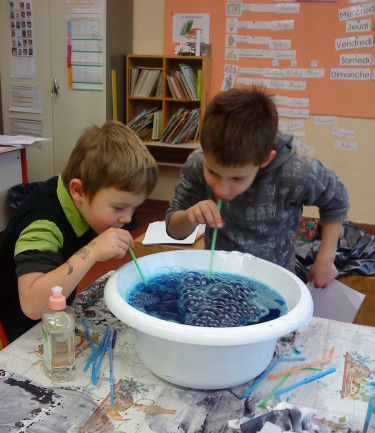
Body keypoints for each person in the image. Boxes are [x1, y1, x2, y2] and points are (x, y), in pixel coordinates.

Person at [166, 87, 349, 289]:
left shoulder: (294, 172)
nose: (223, 188)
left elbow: (336, 198)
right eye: (213, 172)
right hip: (219, 281)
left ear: (265, 160)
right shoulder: (197, 164)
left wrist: (325, 259)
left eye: (237, 178)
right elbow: (175, 230)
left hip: (276, 285)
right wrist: (189, 217)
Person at [0, 121, 158, 343]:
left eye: (134, 207)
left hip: (55, 315)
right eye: (119, 208)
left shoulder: (82, 201)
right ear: (78, 191)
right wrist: (92, 250)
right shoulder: (44, 224)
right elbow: (32, 305)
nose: (128, 218)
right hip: (21, 332)